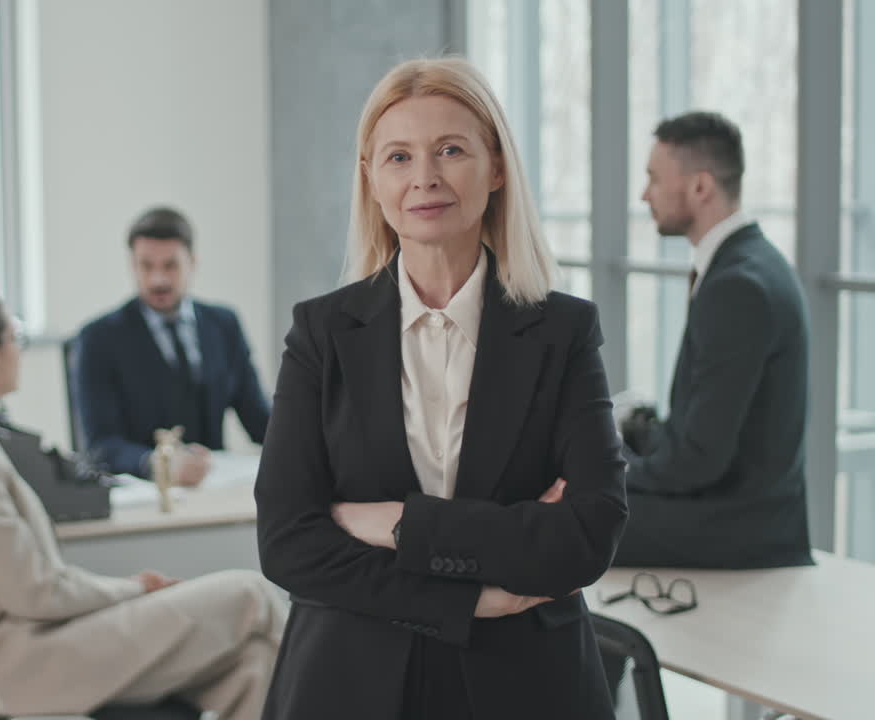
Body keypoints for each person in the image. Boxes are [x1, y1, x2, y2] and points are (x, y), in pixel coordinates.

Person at [254, 57, 628, 719]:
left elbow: (586, 535)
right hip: (349, 682)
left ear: (497, 167)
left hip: (526, 685)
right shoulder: (322, 332)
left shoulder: (564, 331)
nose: (424, 177)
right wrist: (469, 595)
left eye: (450, 150)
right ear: (370, 180)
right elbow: (288, 542)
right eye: (398, 157)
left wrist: (398, 524)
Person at [0, 289, 285, 720]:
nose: (20, 349)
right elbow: (36, 592)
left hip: (43, 645)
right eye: (14, 336)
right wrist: (134, 588)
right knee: (251, 594)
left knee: (253, 668)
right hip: (29, 664)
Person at [614, 111, 813, 568]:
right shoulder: (751, 262)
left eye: (653, 179)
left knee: (568, 518)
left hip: (739, 524)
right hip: (750, 507)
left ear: (700, 187)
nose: (645, 195)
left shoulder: (737, 285)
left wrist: (610, 474)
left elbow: (699, 461)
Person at [74, 206, 270, 485]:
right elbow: (100, 444)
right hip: (142, 492)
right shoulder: (98, 338)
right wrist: (158, 463)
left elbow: (258, 418)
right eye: (146, 266)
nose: (159, 280)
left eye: (170, 266)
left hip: (212, 485)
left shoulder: (223, 325)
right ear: (132, 265)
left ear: (192, 262)